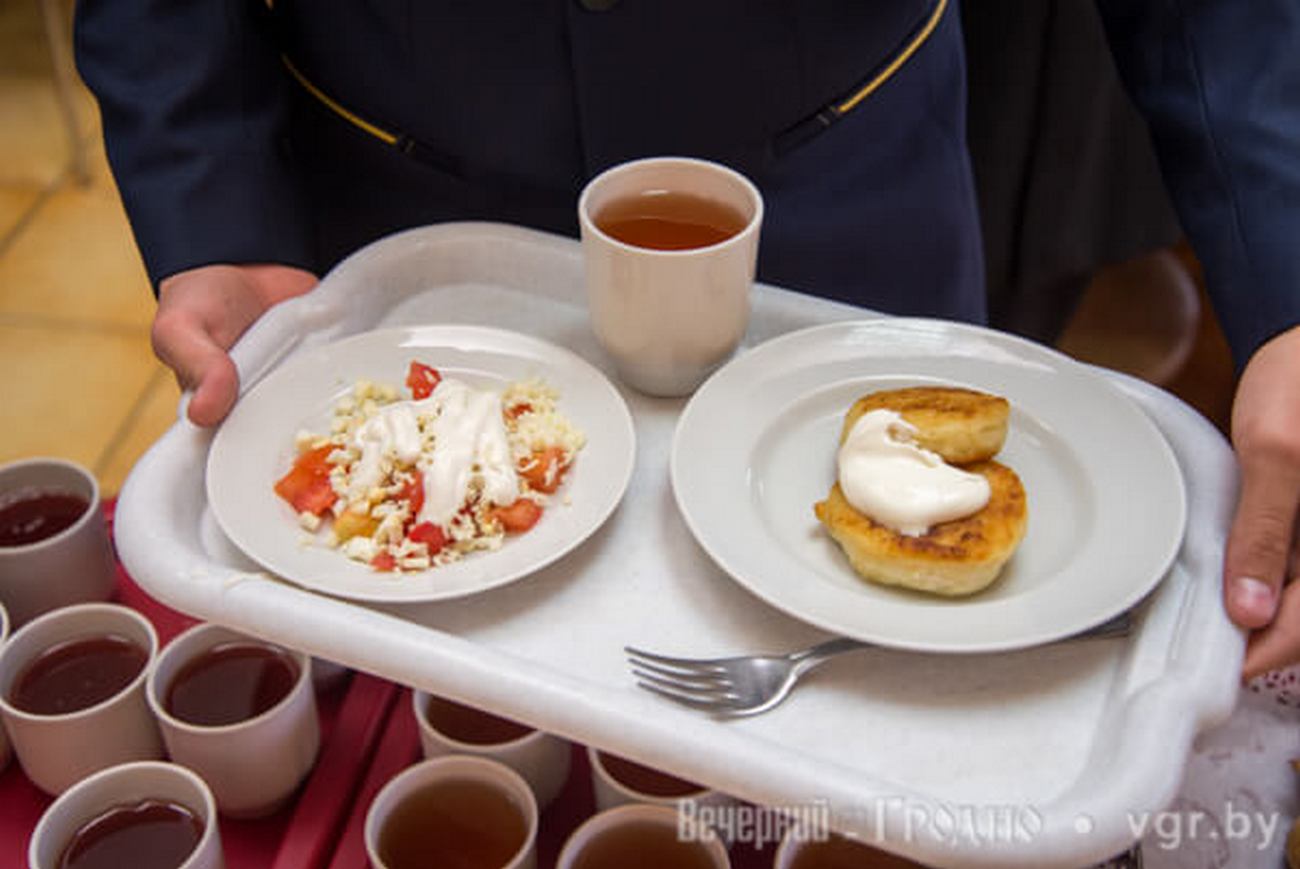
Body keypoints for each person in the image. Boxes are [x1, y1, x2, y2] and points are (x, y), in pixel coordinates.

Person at [74, 0, 1300, 679]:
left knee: (911, 690)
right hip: (408, 236)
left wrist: (1286, 282)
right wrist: (212, 204)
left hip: (846, 192)